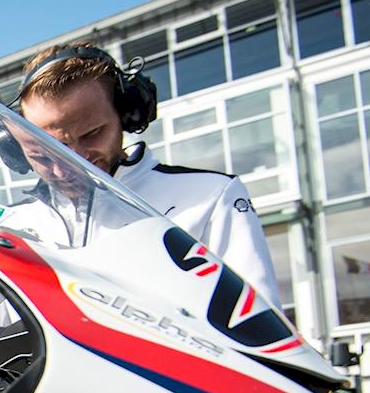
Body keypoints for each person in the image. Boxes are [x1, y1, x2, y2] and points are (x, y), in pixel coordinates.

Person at [14, 43, 280, 300]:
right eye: (49, 149)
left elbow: (260, 331)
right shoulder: (9, 225)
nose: (66, 167)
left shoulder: (210, 196)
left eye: (91, 134)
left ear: (128, 114)